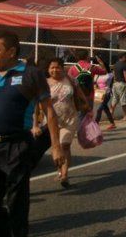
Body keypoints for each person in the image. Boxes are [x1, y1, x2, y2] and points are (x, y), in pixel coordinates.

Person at [0, 31, 65, 237]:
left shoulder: (30, 74)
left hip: (17, 146)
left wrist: (56, 147)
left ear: (12, 51)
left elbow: (49, 110)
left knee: (17, 202)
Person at [46, 58, 89, 188]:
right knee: (56, 146)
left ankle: (64, 174)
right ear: (48, 69)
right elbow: (38, 103)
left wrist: (86, 105)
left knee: (65, 145)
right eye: (52, 67)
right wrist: (35, 124)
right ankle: (60, 169)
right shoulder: (45, 83)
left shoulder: (70, 80)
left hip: (70, 118)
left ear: (62, 68)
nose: (55, 70)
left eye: (57, 67)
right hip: (52, 120)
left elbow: (80, 93)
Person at [111, 53, 126, 121]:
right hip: (122, 84)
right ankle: (125, 116)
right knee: (124, 100)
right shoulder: (124, 65)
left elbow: (114, 75)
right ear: (123, 57)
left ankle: (111, 115)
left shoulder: (115, 65)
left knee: (114, 100)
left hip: (115, 84)